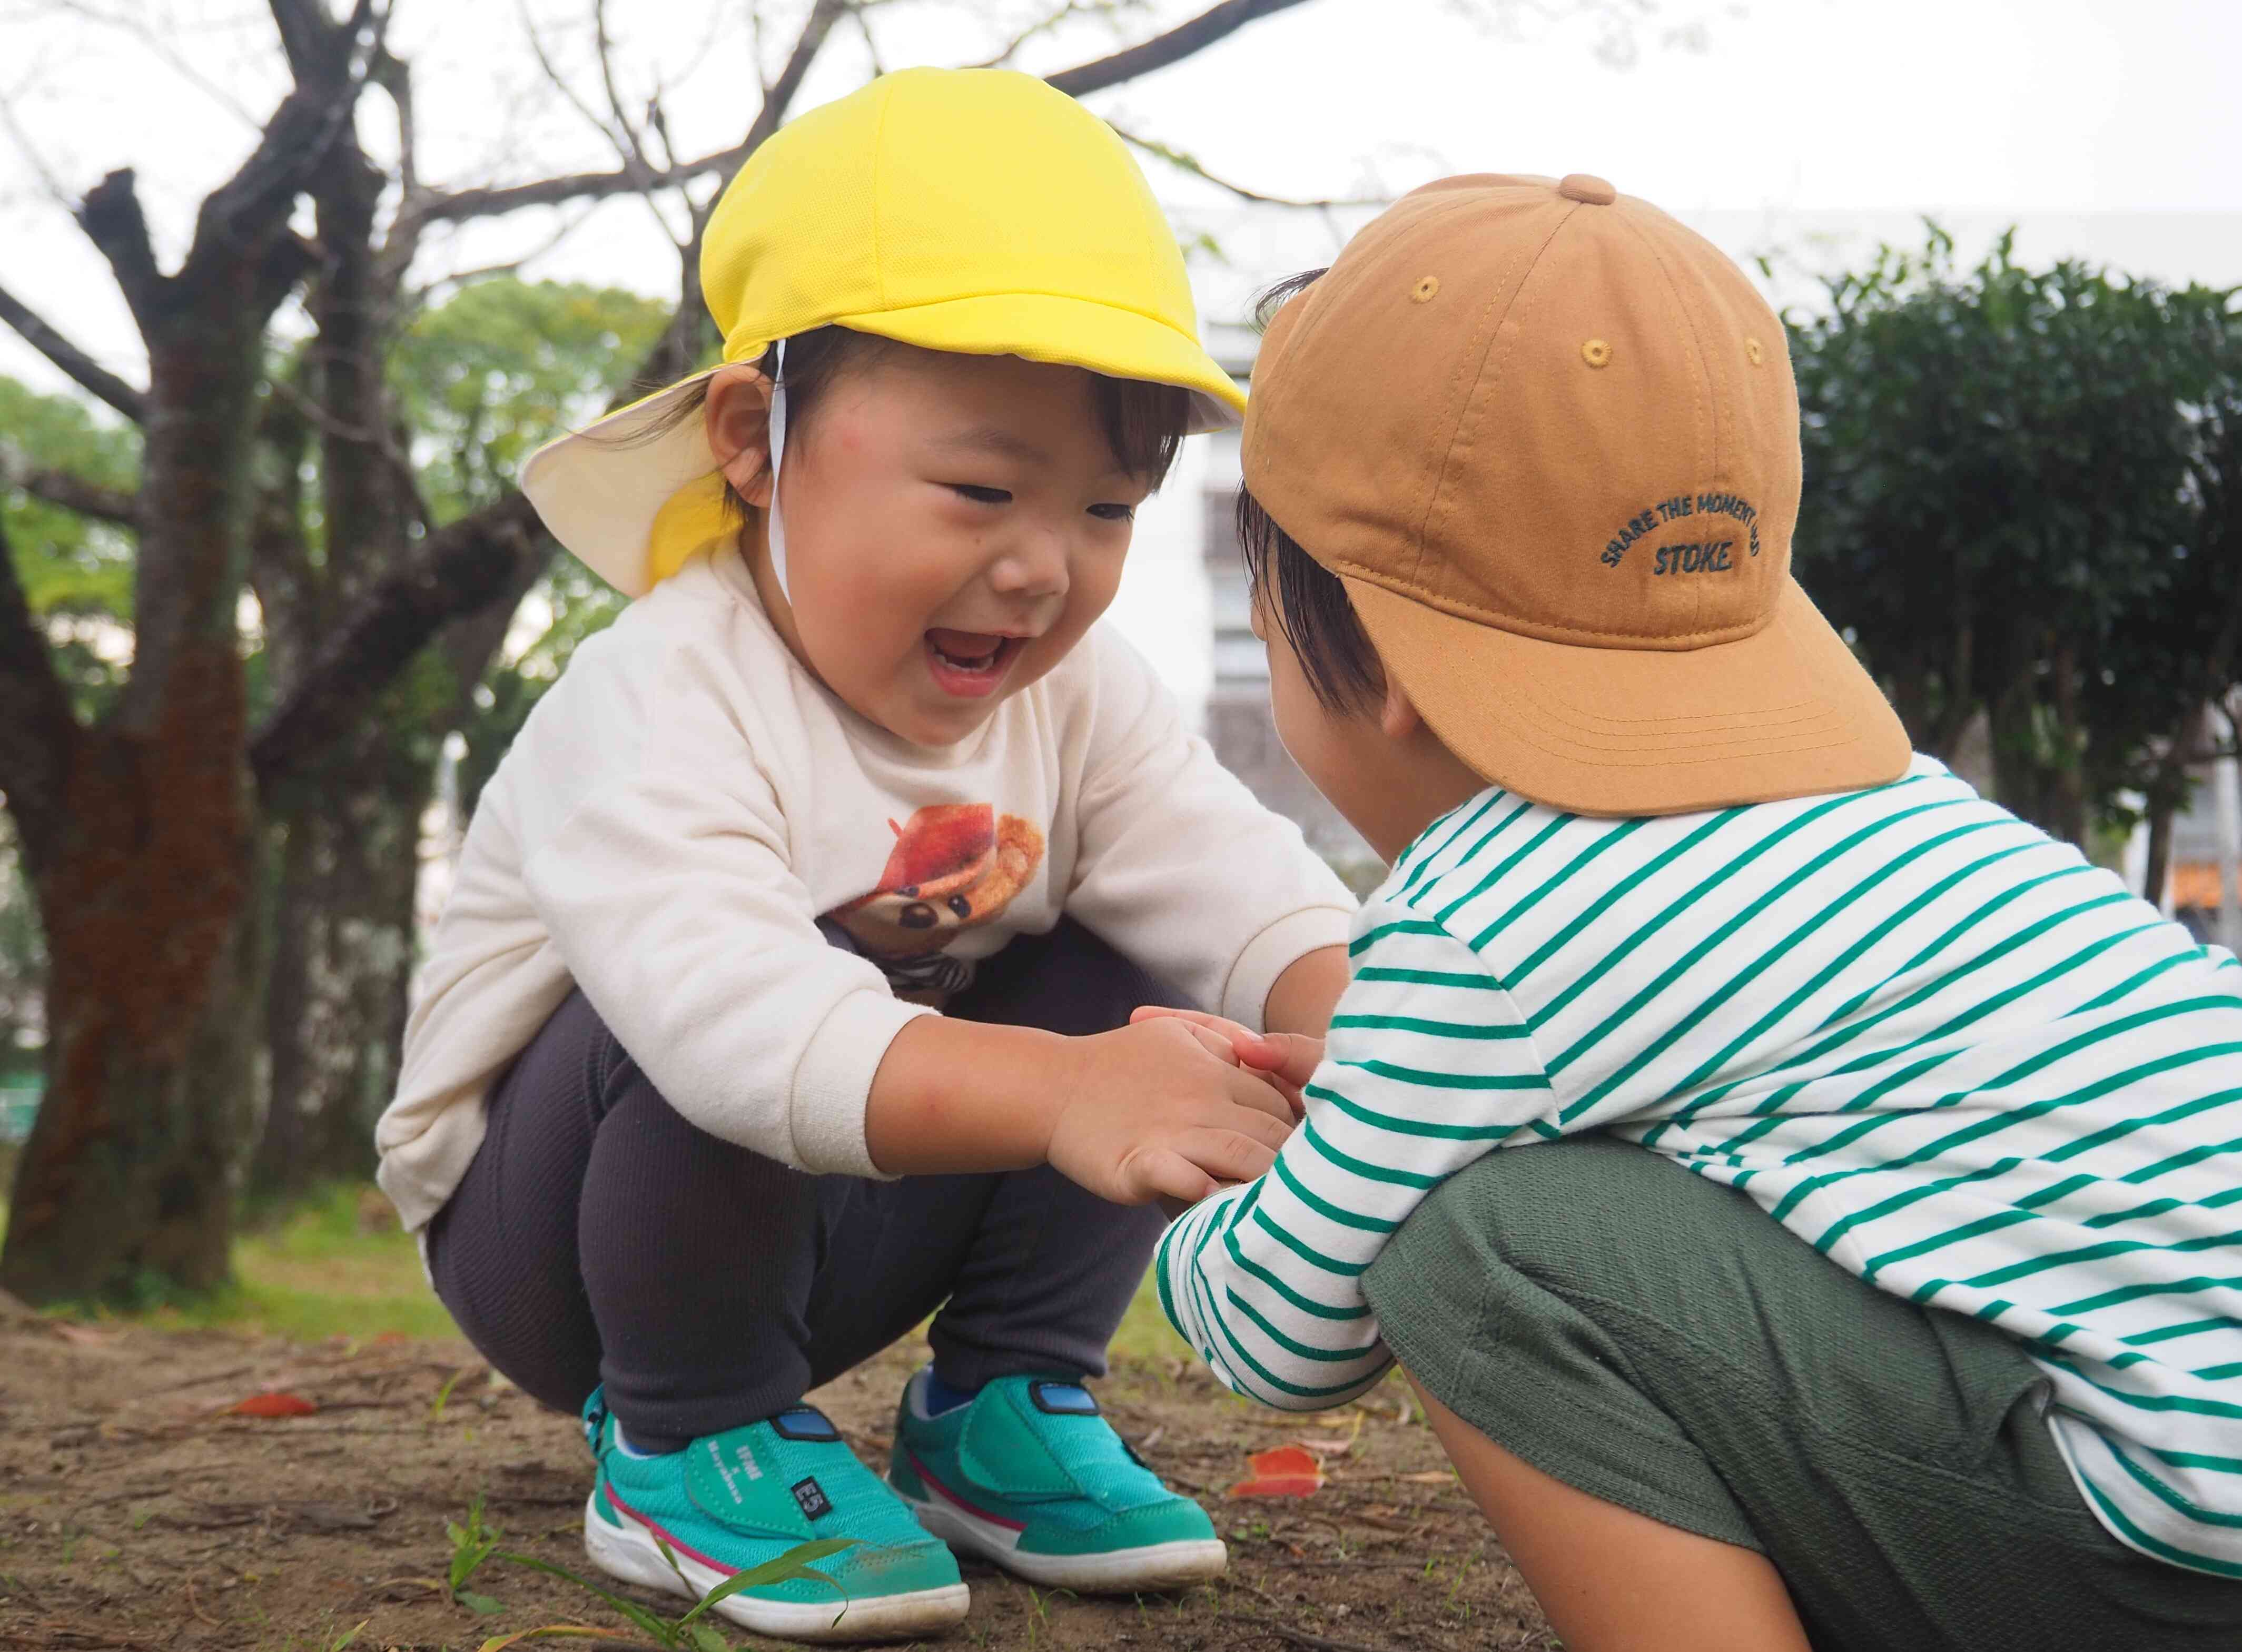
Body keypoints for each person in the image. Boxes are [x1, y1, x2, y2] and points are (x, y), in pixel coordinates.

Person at [1150, 173, 2242, 1651]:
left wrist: (1204, 1173)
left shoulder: (1488, 915)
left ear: (1382, 657)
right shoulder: (1883, 803)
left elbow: (1280, 1330)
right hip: (2186, 1435)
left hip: (2166, 1555)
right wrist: (1378, 1096)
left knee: (1482, 1247)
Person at [374, 68, 1356, 1643]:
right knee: (761, 968)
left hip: (848, 1212)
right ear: (755, 442)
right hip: (571, 1245)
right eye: (978, 489)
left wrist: (1381, 1030)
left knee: (1141, 952)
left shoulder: (1082, 702)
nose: (1042, 567)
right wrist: (1064, 1089)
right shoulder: (653, 697)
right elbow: (729, 1021)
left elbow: (1235, 882)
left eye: (1105, 508)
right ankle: (682, 1438)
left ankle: (1002, 1406)